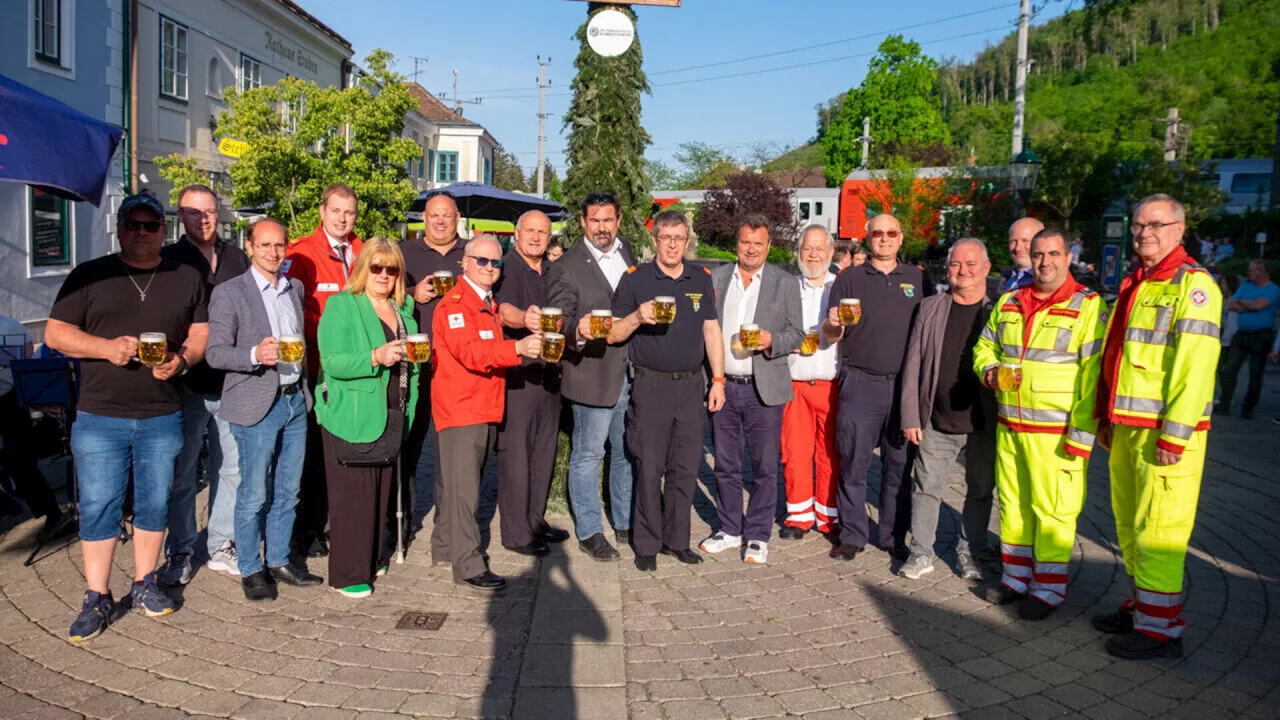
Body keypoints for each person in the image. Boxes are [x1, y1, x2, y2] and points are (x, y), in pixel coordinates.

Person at [46, 191, 209, 641]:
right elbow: (56, 332)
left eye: (150, 225)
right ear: (119, 229)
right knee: (99, 505)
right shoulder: (90, 274)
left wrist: (183, 360)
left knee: (155, 503)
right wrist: (106, 348)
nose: (141, 233)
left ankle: (145, 583)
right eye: (132, 225)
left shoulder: (185, 274)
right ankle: (96, 595)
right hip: (101, 414)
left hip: (161, 413)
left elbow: (200, 333)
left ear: (164, 230)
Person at [1093, 194, 1222, 659]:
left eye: (1155, 224)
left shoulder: (1194, 285)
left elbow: (1196, 366)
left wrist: (1176, 433)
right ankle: (1141, 608)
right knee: (1130, 525)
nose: (1144, 232)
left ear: (1179, 229)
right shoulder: (1140, 281)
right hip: (1129, 426)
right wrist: (1107, 415)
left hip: (1164, 434)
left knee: (1160, 530)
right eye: (1138, 225)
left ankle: (1161, 633)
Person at [972, 228, 1105, 620]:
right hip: (1011, 425)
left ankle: (1048, 588)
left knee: (1053, 511)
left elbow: (1093, 377)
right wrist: (990, 371)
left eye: (1053, 254)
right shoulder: (1011, 301)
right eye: (1038, 254)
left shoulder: (1088, 306)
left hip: (1057, 433)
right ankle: (1016, 578)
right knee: (1013, 506)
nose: (1044, 262)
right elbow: (984, 346)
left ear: (1068, 257)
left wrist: (1081, 437)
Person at [205, 219, 321, 601]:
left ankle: (278, 559)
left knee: (289, 490)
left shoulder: (294, 287)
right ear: (250, 247)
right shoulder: (229, 292)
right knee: (253, 493)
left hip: (293, 399)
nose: (274, 252)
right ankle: (251, 569)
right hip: (257, 403)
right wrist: (256, 354)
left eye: (280, 245)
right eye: (265, 245)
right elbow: (215, 353)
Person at [609, 210, 725, 571]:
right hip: (650, 385)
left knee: (685, 467)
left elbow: (711, 331)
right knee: (648, 466)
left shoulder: (700, 278)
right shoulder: (636, 280)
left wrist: (718, 379)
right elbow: (612, 333)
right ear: (654, 241)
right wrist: (637, 317)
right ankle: (645, 544)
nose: (673, 244)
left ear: (687, 241)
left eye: (679, 238)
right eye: (666, 238)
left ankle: (677, 541)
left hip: (692, 385)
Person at [431, 235, 542, 590]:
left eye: (495, 263)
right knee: (466, 493)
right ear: (464, 262)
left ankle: (445, 548)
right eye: (482, 261)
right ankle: (467, 564)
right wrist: (518, 347)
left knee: (455, 485)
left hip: (482, 407)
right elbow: (472, 353)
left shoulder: (485, 303)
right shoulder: (456, 305)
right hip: (463, 410)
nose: (489, 269)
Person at [315, 237, 419, 598]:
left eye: (392, 269)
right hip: (352, 413)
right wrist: (376, 356)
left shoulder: (402, 311)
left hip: (391, 412)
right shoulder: (342, 305)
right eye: (376, 267)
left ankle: (374, 555)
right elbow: (333, 362)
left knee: (380, 491)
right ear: (362, 268)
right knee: (353, 496)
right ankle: (347, 572)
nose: (384, 275)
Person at [158, 184, 251, 585]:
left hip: (231, 382)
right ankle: (179, 549)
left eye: (210, 211)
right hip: (186, 385)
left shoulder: (237, 257)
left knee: (231, 468)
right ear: (182, 216)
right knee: (182, 474)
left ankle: (221, 544)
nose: (204, 218)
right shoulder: (168, 259)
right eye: (195, 212)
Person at [698, 216, 803, 564]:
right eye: (745, 242)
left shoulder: (785, 283)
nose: (752, 249)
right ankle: (729, 529)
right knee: (726, 464)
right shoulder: (716, 278)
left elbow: (798, 334)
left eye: (758, 243)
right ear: (737, 244)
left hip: (764, 388)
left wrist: (773, 341)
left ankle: (757, 535)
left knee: (763, 466)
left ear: (768, 246)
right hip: (724, 385)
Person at [822, 214, 924, 562]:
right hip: (860, 382)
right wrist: (832, 324)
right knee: (853, 462)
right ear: (867, 238)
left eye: (891, 232)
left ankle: (893, 535)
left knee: (899, 466)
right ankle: (851, 534)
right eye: (877, 233)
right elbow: (832, 335)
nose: (884, 238)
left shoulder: (917, 278)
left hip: (903, 387)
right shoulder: (849, 279)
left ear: (900, 237)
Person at [544, 190, 639, 561]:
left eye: (608, 220)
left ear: (618, 221)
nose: (602, 227)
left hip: (629, 372)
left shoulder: (627, 251)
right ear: (583, 222)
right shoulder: (566, 265)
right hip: (592, 373)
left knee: (625, 451)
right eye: (594, 220)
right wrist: (579, 330)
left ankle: (624, 521)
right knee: (588, 454)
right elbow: (558, 319)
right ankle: (589, 531)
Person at [899, 239, 998, 582]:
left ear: (986, 268)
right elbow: (912, 364)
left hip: (985, 421)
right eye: (956, 264)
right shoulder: (929, 308)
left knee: (981, 490)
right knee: (926, 486)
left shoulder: (1000, 310)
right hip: (937, 418)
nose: (963, 271)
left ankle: (969, 552)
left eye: (971, 264)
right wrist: (910, 414)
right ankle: (921, 552)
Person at [285, 183, 363, 560]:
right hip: (318, 368)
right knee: (314, 456)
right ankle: (307, 530)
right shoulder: (301, 254)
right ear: (322, 212)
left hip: (357, 371)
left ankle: (336, 522)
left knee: (343, 450)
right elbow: (292, 312)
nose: (343, 218)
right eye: (336, 211)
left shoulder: (361, 251)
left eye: (349, 212)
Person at [493, 211, 569, 556]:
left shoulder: (553, 269)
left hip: (550, 375)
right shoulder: (506, 267)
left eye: (543, 232)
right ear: (517, 232)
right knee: (516, 457)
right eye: (530, 231)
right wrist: (524, 318)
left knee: (543, 454)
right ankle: (516, 533)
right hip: (519, 376)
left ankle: (535, 520)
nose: (536, 238)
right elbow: (502, 308)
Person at [402, 190, 467, 545]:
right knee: (409, 445)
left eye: (447, 215)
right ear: (424, 219)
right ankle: (404, 520)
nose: (440, 221)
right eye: (434, 215)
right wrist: (413, 293)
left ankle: (447, 525)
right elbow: (379, 295)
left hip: (454, 367)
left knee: (449, 452)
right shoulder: (404, 252)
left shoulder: (470, 255)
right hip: (414, 365)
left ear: (457, 219)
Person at [779, 226, 840, 540]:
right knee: (795, 451)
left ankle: (828, 518)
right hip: (796, 384)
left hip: (832, 384)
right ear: (798, 252)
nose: (813, 255)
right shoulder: (787, 287)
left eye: (820, 249)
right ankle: (798, 515)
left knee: (829, 453)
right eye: (807, 249)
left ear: (831, 253)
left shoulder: (842, 286)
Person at [0, 315, 63, 535]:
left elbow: (28, 363)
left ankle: (52, 513)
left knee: (20, 458)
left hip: (8, 399)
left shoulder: (8, 325)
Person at [1216, 259, 1278, 419]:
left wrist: (1242, 303)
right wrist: (1251, 305)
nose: (1249, 273)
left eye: (1252, 270)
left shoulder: (1273, 289)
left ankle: (1248, 408)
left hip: (1261, 335)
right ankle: (1225, 403)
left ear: (1261, 271)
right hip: (1242, 333)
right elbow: (1231, 305)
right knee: (1229, 369)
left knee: (1255, 373)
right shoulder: (1245, 287)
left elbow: (1259, 306)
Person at [1003, 217, 1044, 292]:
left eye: (1025, 241)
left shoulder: (1048, 282)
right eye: (1013, 241)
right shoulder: (1005, 279)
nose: (1018, 248)